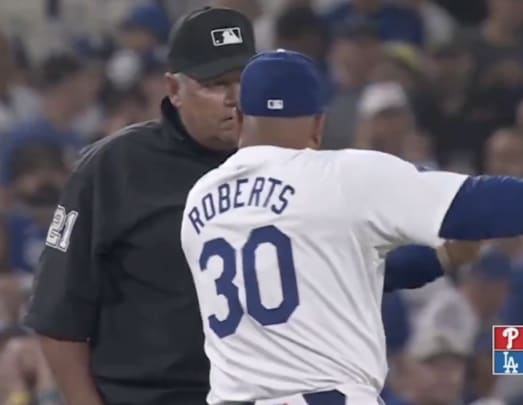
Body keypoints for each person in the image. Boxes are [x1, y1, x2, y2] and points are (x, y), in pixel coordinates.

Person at [22, 8, 477, 405]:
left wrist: (440, 256)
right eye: (215, 84)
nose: (234, 98)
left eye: (243, 81)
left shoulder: (296, 161)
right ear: (174, 89)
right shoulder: (113, 169)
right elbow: (58, 316)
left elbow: (334, 275)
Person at [180, 49, 523, 404]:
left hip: (232, 397)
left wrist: (442, 258)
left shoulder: (199, 202)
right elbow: (480, 203)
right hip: (322, 395)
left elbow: (322, 275)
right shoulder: (340, 176)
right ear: (319, 126)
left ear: (240, 117)